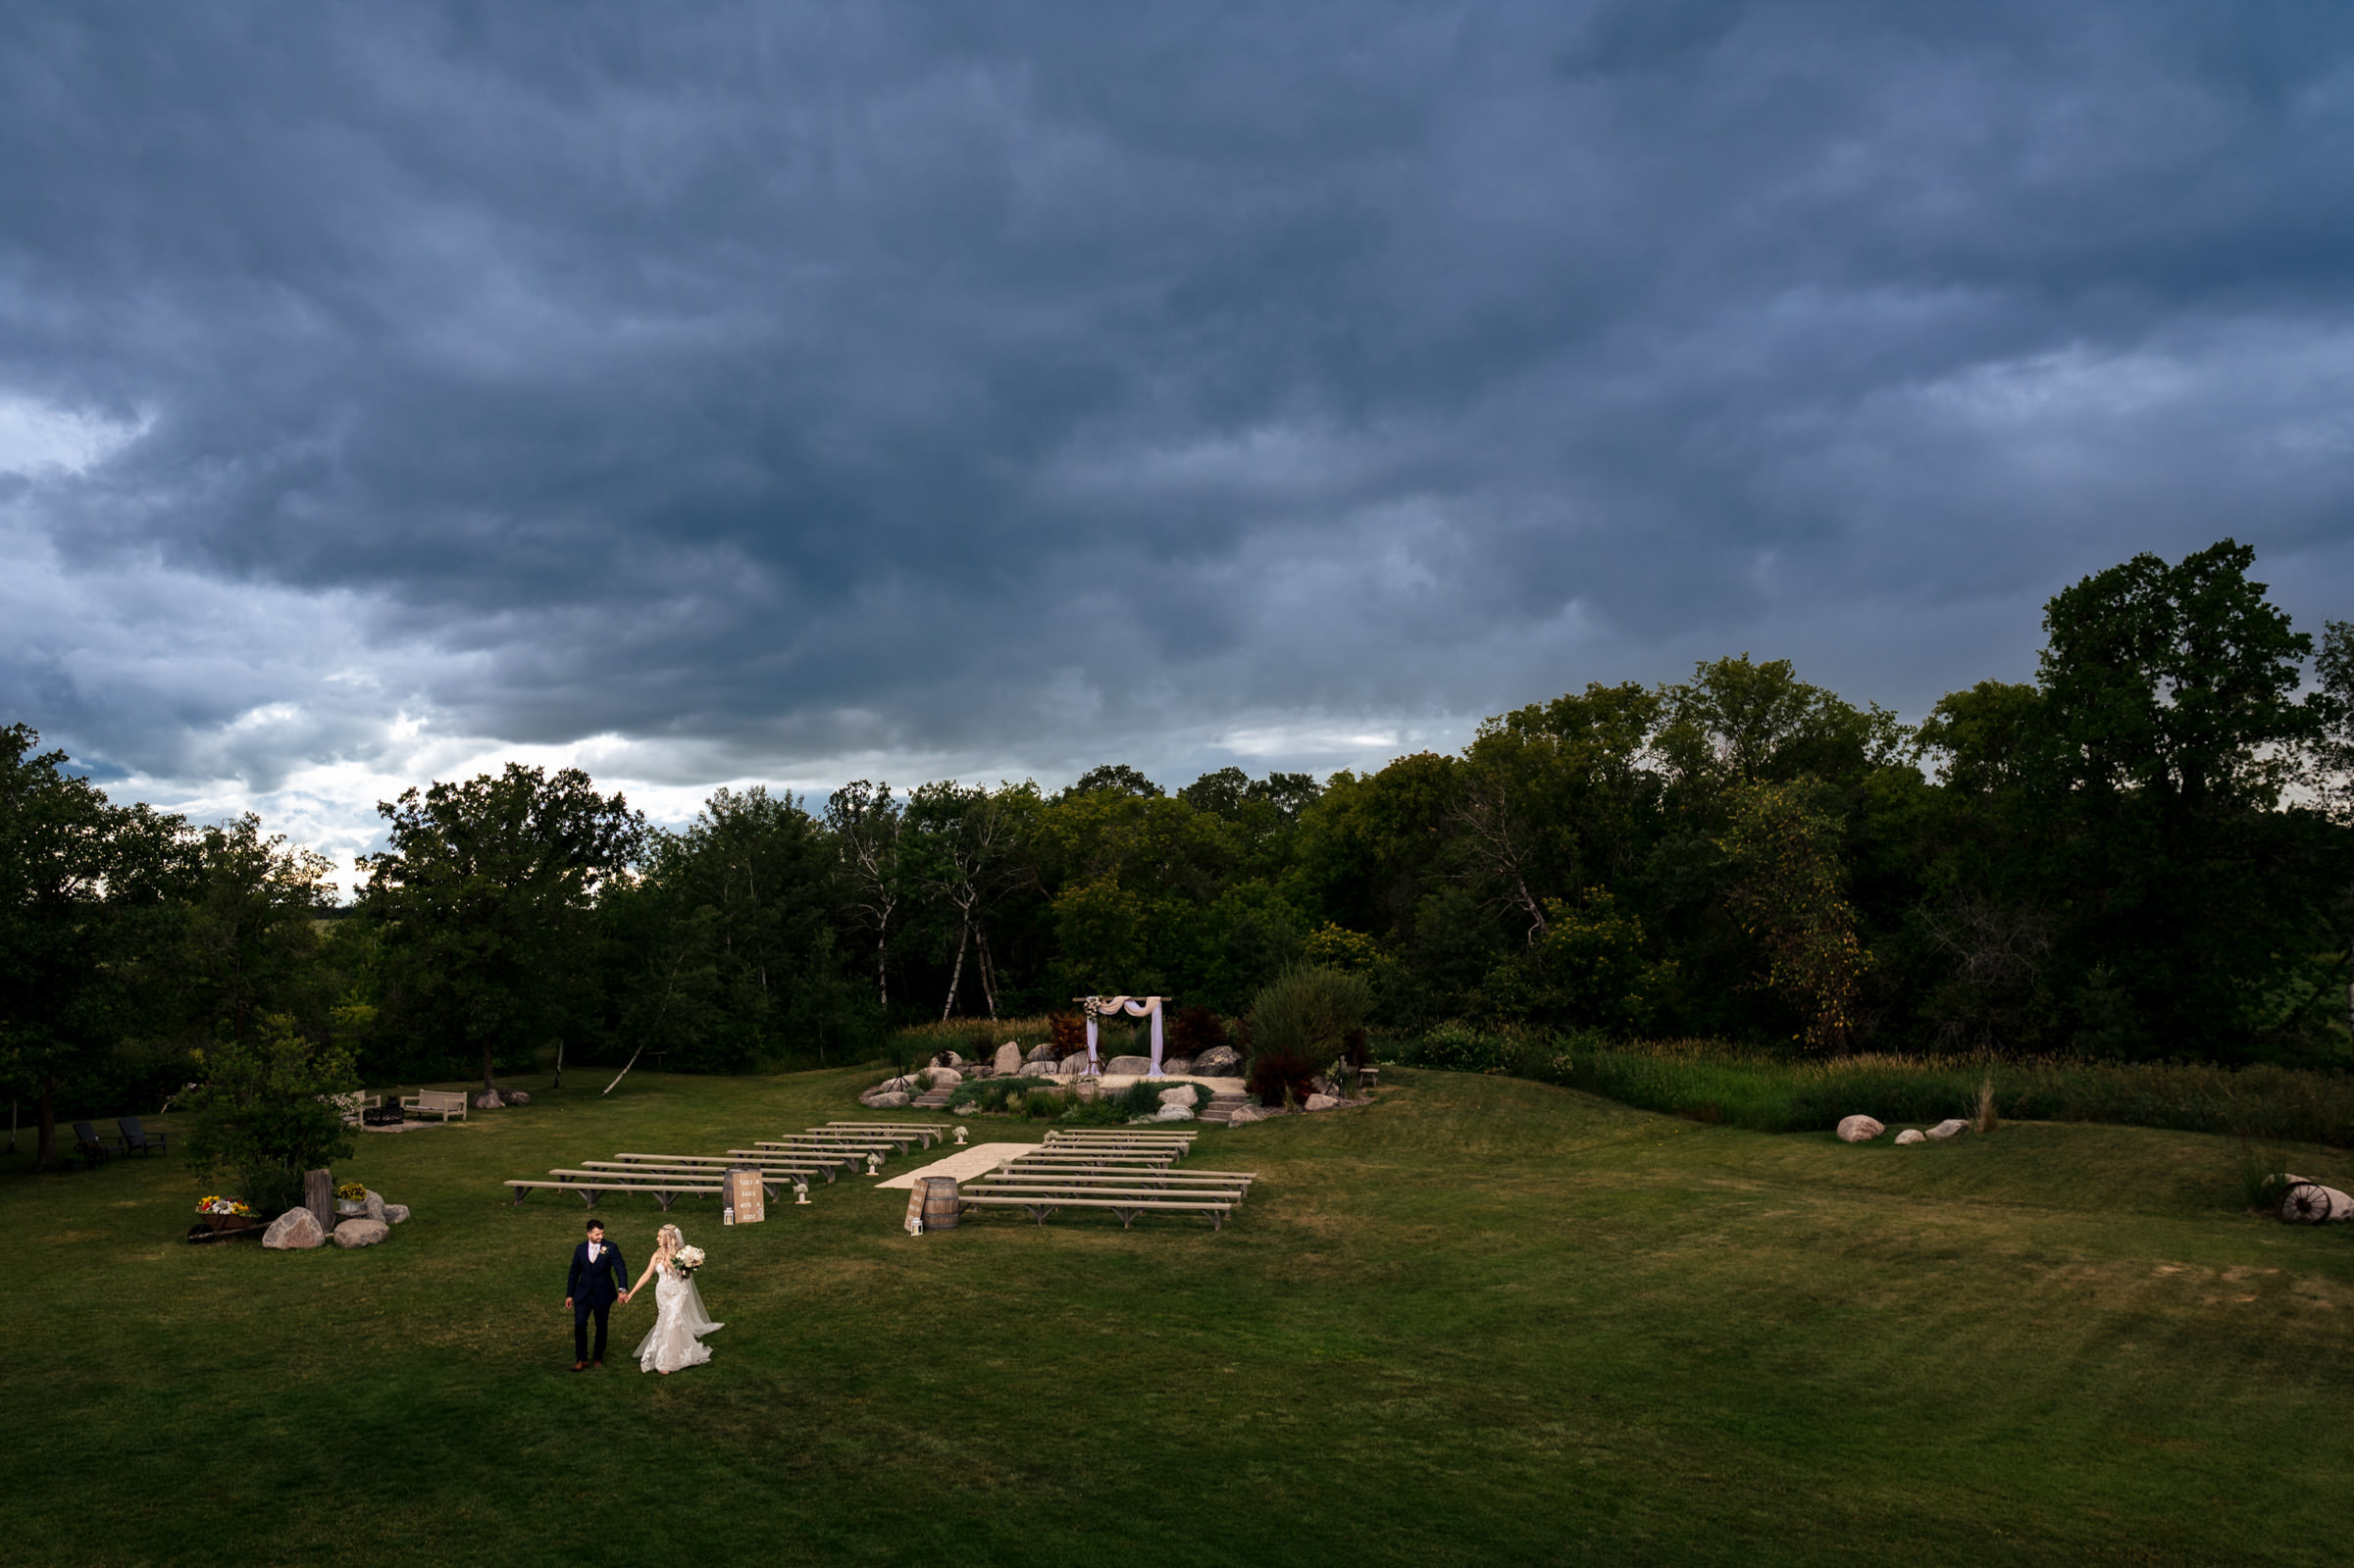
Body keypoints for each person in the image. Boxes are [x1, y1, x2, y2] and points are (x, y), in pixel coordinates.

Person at [628, 1222, 724, 1375]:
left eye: (659, 1236)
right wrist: (632, 1292)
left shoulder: (681, 1255)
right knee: (665, 1322)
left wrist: (690, 1266)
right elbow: (646, 1275)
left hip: (678, 1292)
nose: (657, 1239)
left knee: (673, 1322)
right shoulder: (657, 1255)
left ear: (667, 1238)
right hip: (662, 1293)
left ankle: (664, 1361)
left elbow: (686, 1277)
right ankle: (680, 1352)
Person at [563, 1218, 631, 1371]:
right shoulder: (580, 1249)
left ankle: (598, 1356)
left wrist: (622, 1289)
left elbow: (620, 1268)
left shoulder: (611, 1247)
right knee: (579, 1324)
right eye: (597, 1234)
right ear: (589, 1234)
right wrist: (569, 1294)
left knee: (601, 1326)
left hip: (603, 1293)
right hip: (583, 1294)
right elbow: (574, 1272)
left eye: (602, 1233)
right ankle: (581, 1359)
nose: (601, 1236)